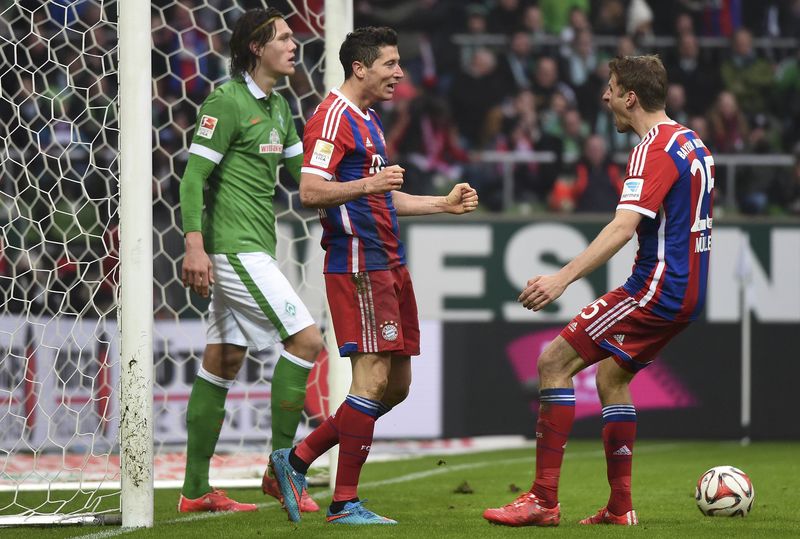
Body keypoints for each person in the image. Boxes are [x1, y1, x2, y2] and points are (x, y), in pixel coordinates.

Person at [483, 54, 714, 527]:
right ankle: (619, 505)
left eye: (611, 87)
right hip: (688, 290)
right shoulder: (693, 142)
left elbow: (623, 227)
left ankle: (543, 499)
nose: (605, 96)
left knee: (552, 361)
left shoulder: (654, 146)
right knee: (612, 378)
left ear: (631, 97)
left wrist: (560, 277)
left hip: (656, 289)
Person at [270, 26, 479, 525]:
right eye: (390, 64)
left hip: (390, 261)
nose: (400, 73)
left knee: (397, 386)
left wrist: (441, 205)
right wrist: (371, 182)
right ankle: (344, 503)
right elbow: (311, 191)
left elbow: (383, 196)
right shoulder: (331, 118)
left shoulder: (369, 120)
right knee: (373, 378)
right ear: (360, 67)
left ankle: (295, 459)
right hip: (358, 263)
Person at [177, 8, 324, 513]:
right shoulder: (227, 101)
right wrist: (194, 244)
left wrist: (361, 183)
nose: (293, 44)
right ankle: (281, 470)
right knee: (306, 341)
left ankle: (195, 491)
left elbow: (306, 183)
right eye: (283, 37)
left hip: (254, 246)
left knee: (223, 361)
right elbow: (193, 177)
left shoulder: (280, 107)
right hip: (233, 247)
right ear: (256, 48)